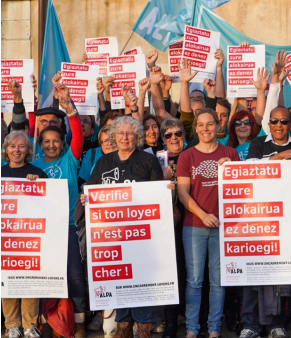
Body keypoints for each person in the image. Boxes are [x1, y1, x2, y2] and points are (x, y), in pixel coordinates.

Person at [82, 115, 165, 338]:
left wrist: (168, 191)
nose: (125, 137)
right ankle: (123, 325)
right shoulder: (103, 163)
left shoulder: (148, 161)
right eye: (120, 133)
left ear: (137, 136)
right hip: (113, 237)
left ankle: (145, 326)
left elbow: (159, 198)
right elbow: (90, 192)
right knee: (121, 281)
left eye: (129, 133)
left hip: (143, 236)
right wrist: (86, 199)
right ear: (114, 136)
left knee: (141, 280)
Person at [239, 104, 291, 338]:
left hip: (287, 219)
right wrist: (279, 157)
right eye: (274, 121)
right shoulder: (259, 144)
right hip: (257, 216)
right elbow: (248, 171)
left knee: (280, 274)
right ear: (268, 124)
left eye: (284, 121)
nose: (279, 125)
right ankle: (250, 324)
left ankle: (276, 324)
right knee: (252, 274)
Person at [176, 109, 240, 338]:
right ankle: (192, 330)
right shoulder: (187, 156)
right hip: (195, 225)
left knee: (218, 281)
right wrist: (203, 215)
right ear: (195, 128)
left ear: (217, 125)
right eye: (201, 125)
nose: (205, 129)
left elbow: (240, 190)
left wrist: (230, 169)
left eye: (210, 124)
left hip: (224, 227)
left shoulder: (230, 153)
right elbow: (183, 194)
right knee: (194, 281)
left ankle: (214, 329)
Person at [31, 84, 86, 338]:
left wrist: (70, 109)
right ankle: (50, 319)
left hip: (70, 227)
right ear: (40, 143)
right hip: (44, 233)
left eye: (56, 141)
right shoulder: (34, 164)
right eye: (46, 141)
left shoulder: (69, 159)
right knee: (48, 276)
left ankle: (79, 319)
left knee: (74, 275)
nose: (51, 145)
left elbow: (78, 135)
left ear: (63, 142)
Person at [1, 131, 48, 338]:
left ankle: (30, 325)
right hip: (7, 237)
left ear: (28, 150)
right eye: (12, 146)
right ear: (6, 150)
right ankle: (12, 325)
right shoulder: (0, 174)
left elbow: (48, 204)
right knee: (8, 279)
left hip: (30, 237)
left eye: (21, 146)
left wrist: (38, 185)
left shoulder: (38, 174)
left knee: (29, 279)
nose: (17, 150)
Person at [158, 118, 188, 338]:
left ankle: (195, 318)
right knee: (172, 270)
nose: (174, 138)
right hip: (167, 222)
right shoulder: (156, 159)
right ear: (163, 139)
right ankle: (171, 321)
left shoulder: (194, 153)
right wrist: (162, 178)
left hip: (192, 216)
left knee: (193, 271)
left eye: (178, 133)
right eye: (168, 135)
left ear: (184, 135)